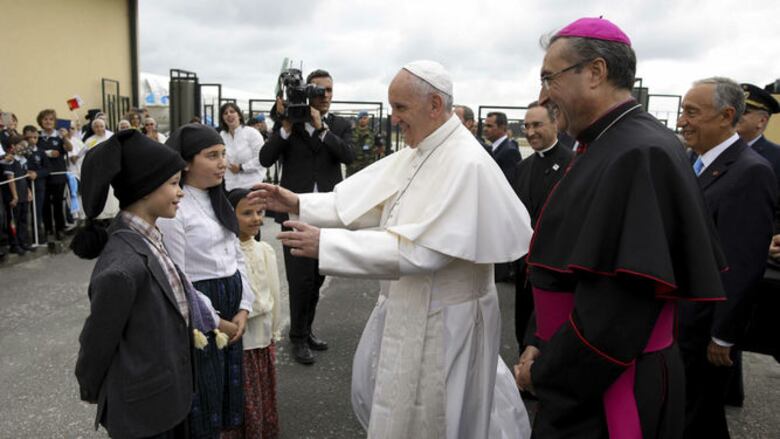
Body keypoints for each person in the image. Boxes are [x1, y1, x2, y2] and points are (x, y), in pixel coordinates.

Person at [254, 60, 533, 439]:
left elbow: (426, 250)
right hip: (412, 304)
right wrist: (299, 203)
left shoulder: (465, 162)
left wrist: (327, 243)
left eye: (400, 108)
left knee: (436, 417)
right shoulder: (424, 148)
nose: (394, 118)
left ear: (434, 104)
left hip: (446, 321)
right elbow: (371, 200)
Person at [513, 18, 728, 438]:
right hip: (579, 364)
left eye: (549, 78)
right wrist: (539, 337)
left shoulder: (639, 153)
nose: (543, 95)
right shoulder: (606, 143)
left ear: (595, 72)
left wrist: (546, 373)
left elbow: (617, 311)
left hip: (607, 380)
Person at [72, 129, 223, 438]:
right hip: (143, 413)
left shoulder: (150, 237)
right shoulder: (122, 267)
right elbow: (97, 341)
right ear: (143, 190)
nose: (180, 192)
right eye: (172, 184)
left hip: (167, 399)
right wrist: (90, 387)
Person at [676, 77, 776, 439]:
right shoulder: (693, 161)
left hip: (704, 326)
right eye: (682, 111)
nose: (682, 121)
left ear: (726, 116)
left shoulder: (751, 172)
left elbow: (742, 263)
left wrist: (722, 334)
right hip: (682, 317)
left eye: (692, 112)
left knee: (697, 416)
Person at [158, 123, 254, 438]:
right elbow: (179, 278)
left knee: (227, 392)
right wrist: (216, 321)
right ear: (185, 162)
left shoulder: (219, 199)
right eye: (212, 155)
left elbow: (237, 256)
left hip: (230, 305)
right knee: (205, 391)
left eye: (223, 154)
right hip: (201, 311)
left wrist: (244, 306)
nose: (222, 162)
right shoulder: (176, 209)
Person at [258, 68, 354, 365]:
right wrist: (285, 126)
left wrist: (322, 129)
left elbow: (348, 156)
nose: (325, 96)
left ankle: (307, 329)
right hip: (295, 213)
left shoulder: (338, 124)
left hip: (327, 212)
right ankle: (297, 338)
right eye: (319, 90)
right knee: (299, 279)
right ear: (308, 91)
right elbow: (265, 157)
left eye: (329, 91)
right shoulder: (291, 123)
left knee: (317, 277)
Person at [510, 100, 573, 351]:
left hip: (555, 272)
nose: (530, 131)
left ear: (555, 123)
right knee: (521, 331)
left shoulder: (573, 164)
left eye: (537, 125)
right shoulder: (523, 168)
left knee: (548, 339)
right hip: (525, 271)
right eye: (526, 126)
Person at [226, 188, 281, 439]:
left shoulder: (265, 250)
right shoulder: (225, 254)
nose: (256, 218)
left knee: (261, 389)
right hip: (241, 338)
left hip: (262, 335)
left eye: (260, 212)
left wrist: (275, 330)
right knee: (243, 394)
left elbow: (276, 293)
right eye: (247, 213)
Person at [37, 109, 72, 241]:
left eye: (51, 119)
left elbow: (69, 148)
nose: (48, 122)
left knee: (58, 203)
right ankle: (48, 230)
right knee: (45, 204)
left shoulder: (59, 135)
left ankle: (60, 229)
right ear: (40, 121)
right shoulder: (38, 136)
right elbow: (31, 151)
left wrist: (65, 138)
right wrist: (47, 153)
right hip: (43, 176)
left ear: (55, 121)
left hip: (58, 175)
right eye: (45, 119)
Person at [219, 102, 267, 191]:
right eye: (225, 113)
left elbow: (262, 158)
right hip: (230, 187)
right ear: (223, 119)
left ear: (239, 115)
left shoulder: (252, 133)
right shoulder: (222, 135)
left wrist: (242, 167)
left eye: (232, 111)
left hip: (252, 186)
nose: (229, 114)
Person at [1, 135, 35, 255]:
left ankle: (24, 242)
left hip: (23, 194)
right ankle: (15, 244)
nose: (23, 148)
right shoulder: (10, 161)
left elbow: (24, 178)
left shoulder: (23, 160)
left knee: (23, 219)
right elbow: (11, 179)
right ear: (13, 147)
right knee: (13, 220)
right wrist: (15, 196)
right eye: (21, 145)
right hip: (15, 196)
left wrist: (28, 191)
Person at [483, 111, 522, 183]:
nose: (485, 129)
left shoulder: (510, 151)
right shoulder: (493, 148)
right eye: (485, 125)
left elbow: (510, 183)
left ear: (502, 128)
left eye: (489, 126)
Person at [346, 111, 376, 176]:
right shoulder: (351, 132)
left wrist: (371, 152)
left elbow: (381, 148)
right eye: (360, 118)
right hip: (353, 165)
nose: (362, 120)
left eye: (365, 118)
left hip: (367, 165)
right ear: (358, 120)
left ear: (368, 119)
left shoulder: (373, 133)